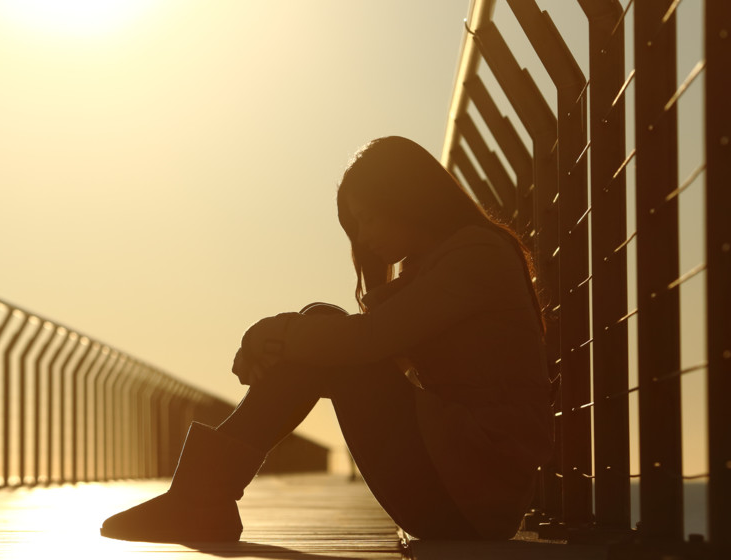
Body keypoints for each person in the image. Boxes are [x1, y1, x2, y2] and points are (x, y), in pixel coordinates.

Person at [100, 136, 554, 543]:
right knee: (321, 329)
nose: (364, 237)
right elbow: (366, 343)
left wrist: (274, 334)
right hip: (460, 482)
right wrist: (282, 339)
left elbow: (368, 341)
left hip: (471, 495)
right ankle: (201, 498)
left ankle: (200, 498)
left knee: (324, 334)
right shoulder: (437, 264)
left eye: (368, 218)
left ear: (406, 197)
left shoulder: (475, 255)